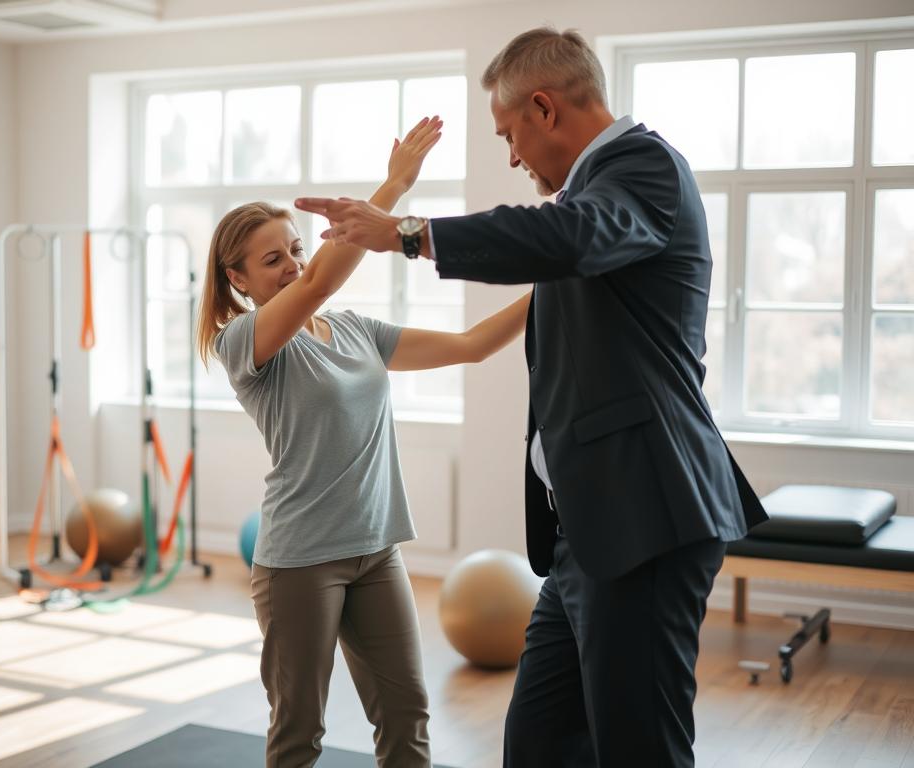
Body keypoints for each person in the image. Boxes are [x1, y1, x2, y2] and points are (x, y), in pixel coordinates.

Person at [295, 27, 768, 768]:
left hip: (644, 518)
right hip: (591, 530)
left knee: (638, 748)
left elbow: (568, 237)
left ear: (544, 108)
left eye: (510, 134)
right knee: (539, 743)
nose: (512, 157)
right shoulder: (588, 198)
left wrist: (410, 233)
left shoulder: (641, 166)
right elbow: (559, 251)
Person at [196, 115, 531, 768]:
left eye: (296, 248)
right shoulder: (247, 343)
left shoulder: (354, 331)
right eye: (273, 260)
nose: (293, 266)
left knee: (407, 718)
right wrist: (395, 186)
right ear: (239, 280)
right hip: (300, 563)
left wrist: (562, 281)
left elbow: (470, 346)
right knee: (300, 734)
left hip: (377, 551)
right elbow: (320, 280)